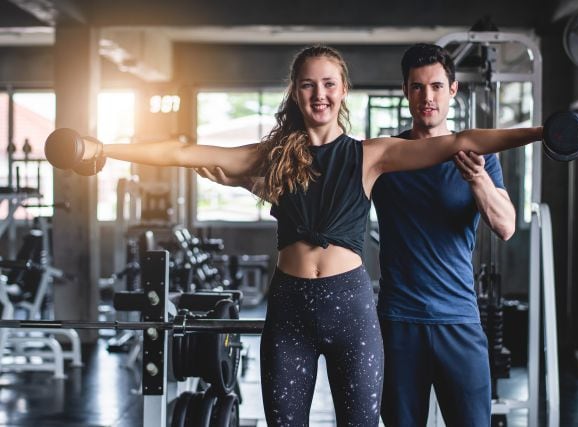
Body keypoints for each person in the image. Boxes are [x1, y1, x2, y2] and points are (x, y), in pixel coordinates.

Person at [66, 45, 541, 426]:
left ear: (343, 90)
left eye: (329, 84)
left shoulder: (375, 155)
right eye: (308, 84)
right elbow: (185, 152)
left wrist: (546, 132)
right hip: (312, 308)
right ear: (295, 92)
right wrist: (104, 147)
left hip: (365, 309)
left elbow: (464, 145)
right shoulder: (277, 158)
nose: (319, 94)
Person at [372, 43, 514, 426]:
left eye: (436, 86)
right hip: (399, 323)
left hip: (459, 321)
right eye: (417, 87)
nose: (427, 97)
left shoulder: (479, 157)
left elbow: (505, 226)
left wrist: (478, 178)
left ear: (453, 89)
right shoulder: (385, 157)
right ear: (406, 90)